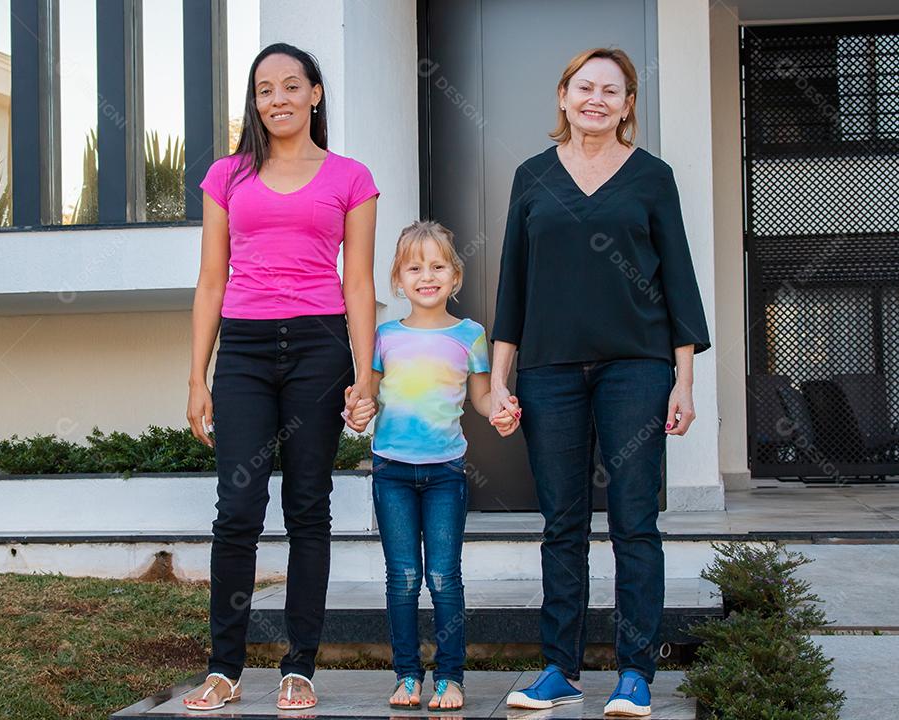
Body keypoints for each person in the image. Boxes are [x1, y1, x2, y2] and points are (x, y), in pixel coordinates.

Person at [492, 48, 711, 717]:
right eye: (584, 87)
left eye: (610, 91)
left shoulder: (652, 178)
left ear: (627, 104)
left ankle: (635, 675)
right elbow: (511, 286)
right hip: (548, 371)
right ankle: (559, 669)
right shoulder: (532, 177)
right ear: (563, 96)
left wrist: (684, 381)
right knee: (562, 525)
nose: (596, 99)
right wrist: (499, 381)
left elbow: (679, 280)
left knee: (634, 523)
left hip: (637, 367)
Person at [182, 42, 379, 711]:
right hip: (242, 350)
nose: (279, 100)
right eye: (265, 89)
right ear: (254, 101)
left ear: (315, 94)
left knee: (307, 509)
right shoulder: (226, 176)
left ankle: (301, 666)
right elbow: (212, 281)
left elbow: (358, 283)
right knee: (236, 512)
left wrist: (365, 375)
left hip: (320, 348)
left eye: (292, 86)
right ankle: (224, 667)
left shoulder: (351, 177)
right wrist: (197, 377)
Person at [346, 220, 520, 712]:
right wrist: (355, 409)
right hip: (392, 472)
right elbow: (367, 399)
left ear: (455, 277)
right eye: (414, 267)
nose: (427, 275)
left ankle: (450, 676)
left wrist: (501, 412)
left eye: (438, 266)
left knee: (443, 577)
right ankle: (406, 674)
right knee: (402, 577)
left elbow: (483, 399)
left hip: (445, 474)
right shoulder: (383, 336)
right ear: (397, 280)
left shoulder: (471, 335)